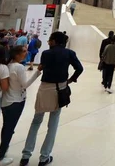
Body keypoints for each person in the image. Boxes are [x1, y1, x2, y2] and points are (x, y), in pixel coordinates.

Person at [20, 31, 83, 166]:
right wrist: (71, 80)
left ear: (54, 41)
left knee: (36, 121)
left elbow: (44, 67)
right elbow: (80, 68)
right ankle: (44, 157)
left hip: (44, 88)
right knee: (53, 124)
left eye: (50, 40)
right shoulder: (69, 53)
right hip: (59, 89)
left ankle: (26, 155)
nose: (48, 42)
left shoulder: (46, 54)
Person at [0, 45, 42, 166]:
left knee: (7, 128)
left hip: (6, 101)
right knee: (9, 129)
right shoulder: (19, 67)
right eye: (24, 51)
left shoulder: (7, 66)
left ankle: (3, 151)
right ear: (16, 54)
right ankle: (0, 156)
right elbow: (25, 85)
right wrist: (38, 72)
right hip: (16, 101)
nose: (26, 53)